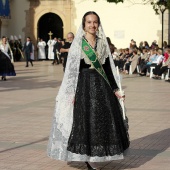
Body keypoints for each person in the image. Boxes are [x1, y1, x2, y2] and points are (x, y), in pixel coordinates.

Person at [47, 11, 130, 170]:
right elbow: (72, 71)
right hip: (84, 86)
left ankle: (97, 154)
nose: (92, 25)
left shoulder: (103, 43)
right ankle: (88, 156)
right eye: (89, 22)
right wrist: (70, 92)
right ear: (84, 25)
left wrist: (115, 89)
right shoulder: (78, 43)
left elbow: (107, 69)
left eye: (95, 22)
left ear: (98, 24)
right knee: (86, 121)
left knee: (101, 121)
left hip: (102, 87)